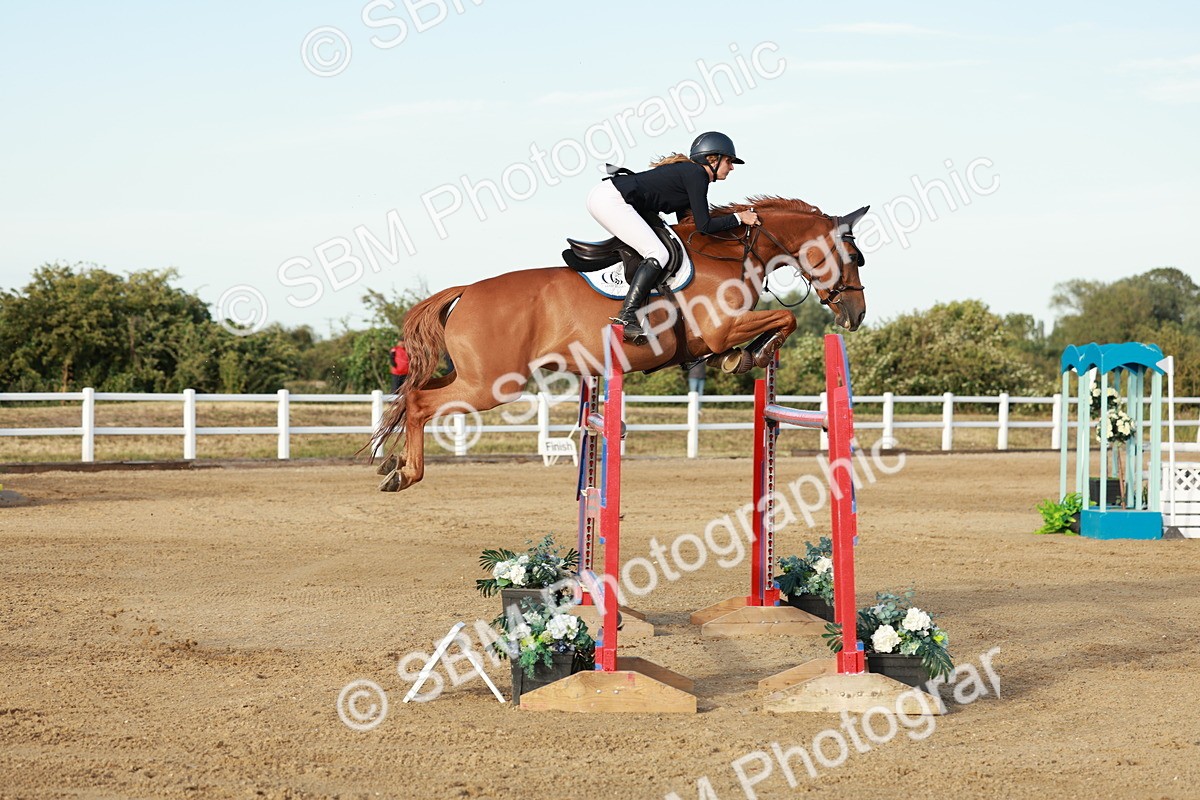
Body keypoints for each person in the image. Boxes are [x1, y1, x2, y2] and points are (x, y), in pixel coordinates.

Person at [587, 131, 760, 344]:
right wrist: (739, 218)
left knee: (663, 248)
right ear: (712, 159)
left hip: (610, 198)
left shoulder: (691, 175)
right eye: (729, 161)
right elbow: (704, 226)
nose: (732, 167)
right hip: (612, 200)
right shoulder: (697, 175)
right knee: (657, 252)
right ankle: (627, 317)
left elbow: (689, 228)